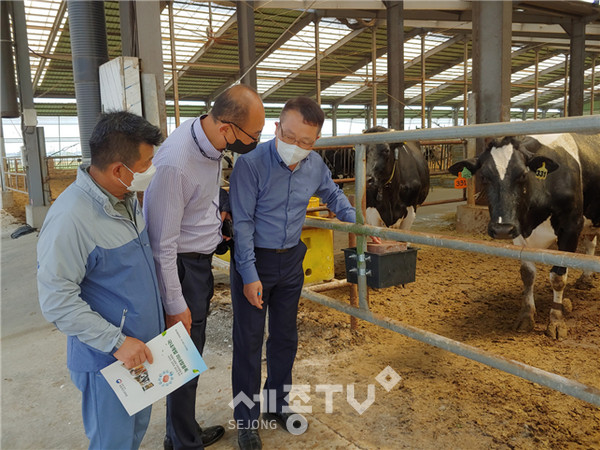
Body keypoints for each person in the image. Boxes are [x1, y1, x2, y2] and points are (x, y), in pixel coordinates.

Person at [229, 96, 379, 450]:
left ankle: (276, 404)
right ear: (277, 128)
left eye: (306, 142)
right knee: (248, 344)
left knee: (285, 338)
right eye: (291, 136)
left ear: (315, 141)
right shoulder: (250, 165)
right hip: (255, 262)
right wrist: (249, 274)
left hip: (291, 261)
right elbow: (243, 224)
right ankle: (246, 421)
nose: (296, 147)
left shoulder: (314, 165)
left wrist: (357, 223)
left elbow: (332, 194)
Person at [144, 84, 265, 450]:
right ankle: (182, 442)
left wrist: (219, 208)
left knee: (189, 355)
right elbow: (161, 243)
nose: (256, 141)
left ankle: (182, 431)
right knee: (183, 357)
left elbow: (203, 195)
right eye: (254, 135)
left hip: (199, 260)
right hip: (182, 268)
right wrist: (174, 303)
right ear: (228, 128)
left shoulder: (209, 142)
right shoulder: (176, 163)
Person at [37, 111, 165, 449]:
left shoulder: (123, 197)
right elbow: (56, 299)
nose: (152, 171)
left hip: (138, 353)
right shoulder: (71, 219)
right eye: (147, 164)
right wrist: (117, 342)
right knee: (113, 443)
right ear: (118, 170)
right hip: (107, 360)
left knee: (133, 434)